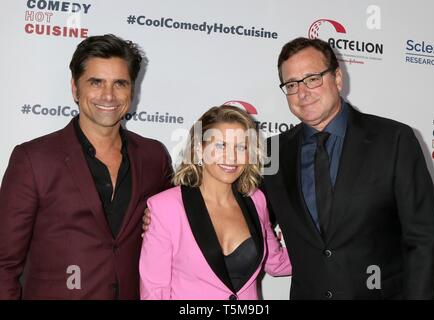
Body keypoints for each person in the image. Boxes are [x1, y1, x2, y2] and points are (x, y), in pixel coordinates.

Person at [261, 36, 434, 299]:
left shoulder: (394, 140)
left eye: (312, 78)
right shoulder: (271, 152)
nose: (302, 92)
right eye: (291, 84)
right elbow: (245, 220)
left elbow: (422, 239)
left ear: (338, 79)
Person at [0, 34, 173, 299]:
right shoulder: (33, 159)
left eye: (120, 84)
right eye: (96, 82)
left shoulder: (153, 156)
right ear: (75, 88)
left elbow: (176, 228)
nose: (108, 95)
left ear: (132, 90)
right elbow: (4, 263)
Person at [139, 105, 291, 300]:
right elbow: (154, 291)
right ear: (199, 149)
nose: (232, 156)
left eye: (241, 147)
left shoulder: (256, 200)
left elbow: (276, 262)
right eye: (220, 145)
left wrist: (335, 251)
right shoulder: (165, 208)